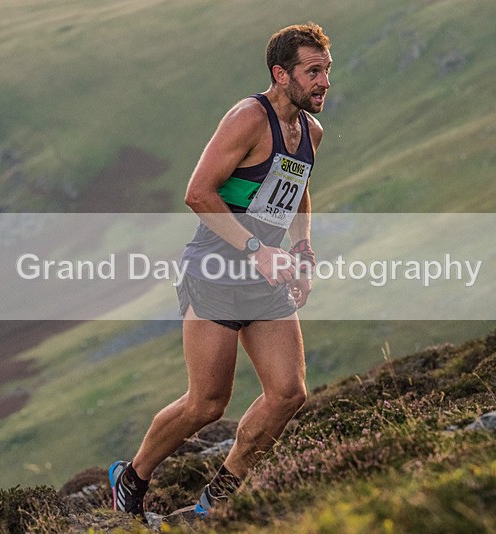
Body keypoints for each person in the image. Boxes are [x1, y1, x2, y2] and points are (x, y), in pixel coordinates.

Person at [109, 21, 331, 519]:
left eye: (327, 70)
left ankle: (215, 503)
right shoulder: (247, 119)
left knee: (287, 394)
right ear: (281, 73)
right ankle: (133, 475)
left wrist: (303, 253)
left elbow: (297, 191)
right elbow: (197, 193)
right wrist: (256, 247)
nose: (324, 83)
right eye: (312, 71)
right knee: (208, 404)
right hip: (214, 269)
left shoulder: (311, 131)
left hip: (266, 274)